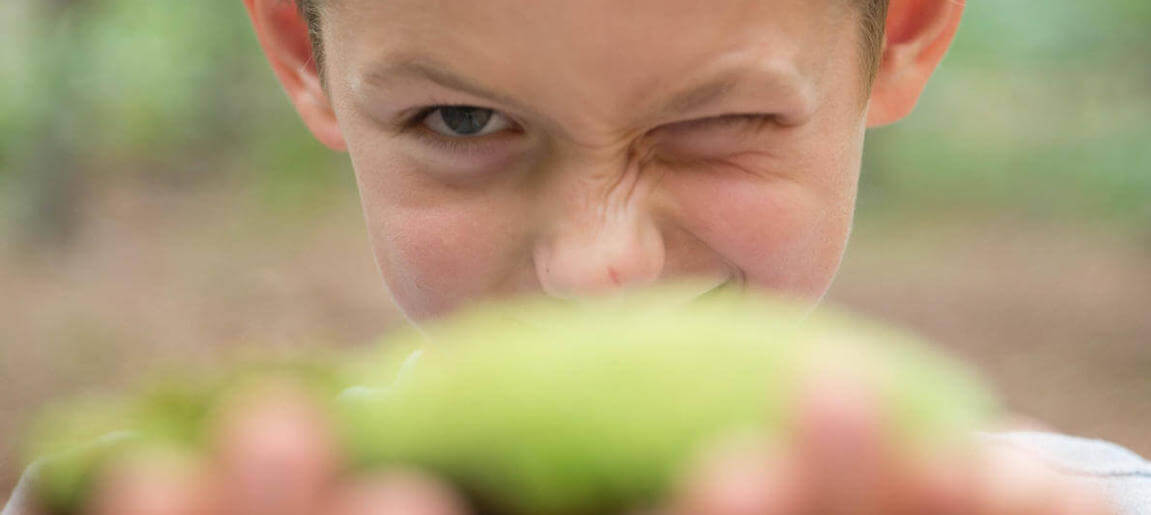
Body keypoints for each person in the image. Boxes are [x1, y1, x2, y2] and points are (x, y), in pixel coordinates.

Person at [5, 0, 1148, 512]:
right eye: (459, 121)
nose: (597, 266)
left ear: (898, 33)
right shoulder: (126, 494)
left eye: (715, 126)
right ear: (301, 55)